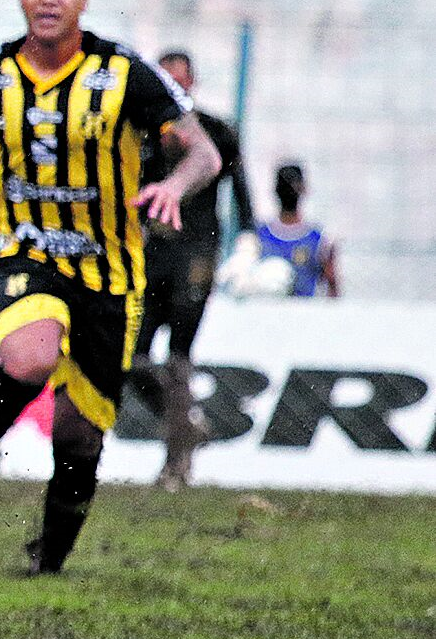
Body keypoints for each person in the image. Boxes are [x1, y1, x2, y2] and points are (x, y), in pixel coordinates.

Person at [0, 0, 222, 576]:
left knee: (80, 438)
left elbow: (204, 155)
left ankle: (47, 561)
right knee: (28, 355)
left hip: (110, 269)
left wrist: (171, 185)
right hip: (22, 247)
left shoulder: (124, 75)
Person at [133, 50, 253, 488]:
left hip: (196, 252)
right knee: (135, 359)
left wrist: (248, 239)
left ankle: (175, 464)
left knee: (179, 355)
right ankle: (187, 425)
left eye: (179, 83)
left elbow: (240, 186)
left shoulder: (216, 132)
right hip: (153, 251)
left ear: (192, 84)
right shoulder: (143, 133)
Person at [255, 162, 340, 296]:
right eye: (286, 186)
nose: (290, 191)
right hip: (266, 314)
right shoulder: (258, 236)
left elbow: (332, 289)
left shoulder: (320, 240)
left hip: (303, 314)